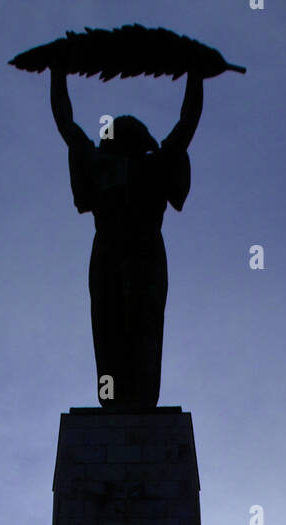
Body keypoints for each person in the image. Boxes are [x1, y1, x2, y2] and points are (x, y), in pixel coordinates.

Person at [49, 65, 204, 409]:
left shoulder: (152, 165)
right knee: (108, 328)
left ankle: (140, 399)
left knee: (141, 327)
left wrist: (196, 74)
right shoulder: (110, 165)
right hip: (112, 254)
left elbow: (187, 123)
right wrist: (56, 73)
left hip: (141, 254)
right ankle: (118, 399)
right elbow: (67, 125)